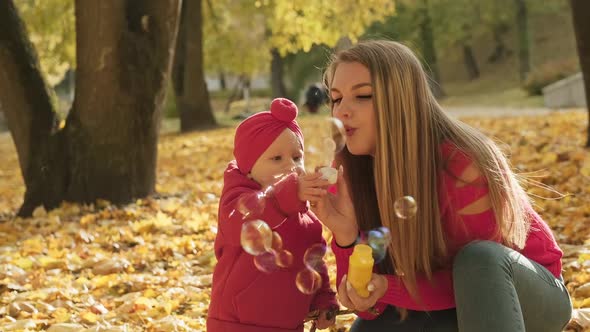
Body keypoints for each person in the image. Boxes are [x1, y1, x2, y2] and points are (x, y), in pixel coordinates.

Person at [312, 40, 572, 331]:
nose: (341, 111)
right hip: (440, 301)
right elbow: (374, 308)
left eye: (362, 96)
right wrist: (346, 235)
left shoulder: (461, 163)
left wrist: (388, 286)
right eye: (335, 98)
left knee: (478, 259)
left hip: (527, 297)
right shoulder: (352, 172)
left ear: (401, 99)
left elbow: (479, 281)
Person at [207, 98, 337, 332]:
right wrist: (287, 195)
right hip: (236, 324)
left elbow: (314, 262)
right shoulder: (237, 201)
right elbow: (242, 223)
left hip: (290, 325)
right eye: (276, 158)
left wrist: (323, 299)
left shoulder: (305, 217)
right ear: (249, 168)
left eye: (297, 157)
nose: (291, 166)